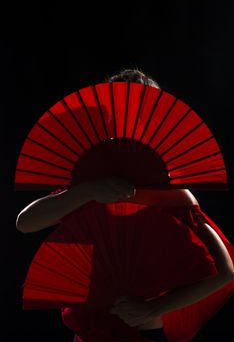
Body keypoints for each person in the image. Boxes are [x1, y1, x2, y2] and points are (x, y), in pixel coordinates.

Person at [16, 69, 234, 342]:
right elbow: (25, 222)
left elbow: (224, 272)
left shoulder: (172, 194)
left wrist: (155, 307)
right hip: (86, 332)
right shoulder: (90, 184)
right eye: (113, 115)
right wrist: (87, 191)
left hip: (144, 332)